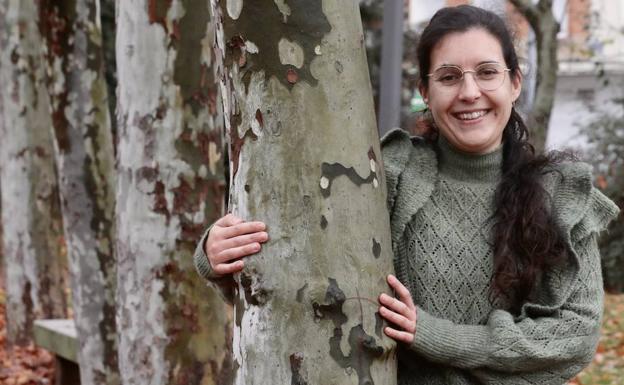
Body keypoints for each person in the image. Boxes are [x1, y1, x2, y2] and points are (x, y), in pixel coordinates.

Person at [194, 5, 620, 384]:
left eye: (487, 72)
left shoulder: (560, 193)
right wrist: (217, 255)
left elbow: (574, 336)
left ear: (514, 83)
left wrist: (442, 338)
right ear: (426, 94)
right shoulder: (387, 172)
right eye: (449, 77)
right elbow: (308, 283)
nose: (469, 92)